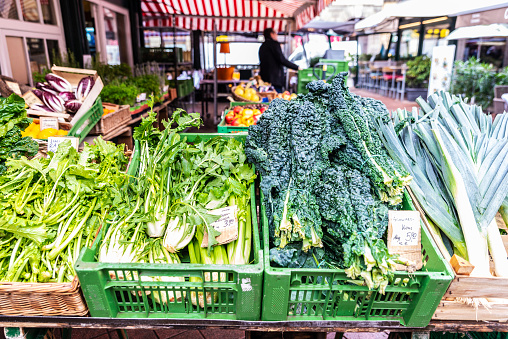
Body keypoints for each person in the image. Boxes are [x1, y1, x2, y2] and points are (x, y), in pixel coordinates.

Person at [258, 28, 299, 93]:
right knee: (276, 99)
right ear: (271, 34)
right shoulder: (274, 45)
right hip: (275, 80)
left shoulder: (262, 46)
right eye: (276, 33)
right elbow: (282, 60)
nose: (277, 35)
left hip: (264, 79)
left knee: (267, 98)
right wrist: (297, 67)